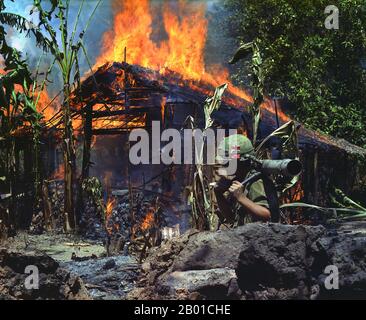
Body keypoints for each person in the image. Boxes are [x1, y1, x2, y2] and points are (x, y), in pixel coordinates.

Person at [214, 134, 271, 227]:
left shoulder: (255, 181)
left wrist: (241, 198)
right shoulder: (240, 179)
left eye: (228, 163)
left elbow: (266, 215)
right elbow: (231, 218)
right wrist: (218, 194)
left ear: (241, 162)